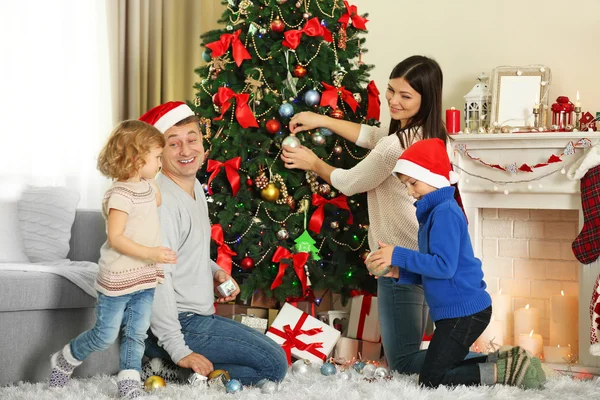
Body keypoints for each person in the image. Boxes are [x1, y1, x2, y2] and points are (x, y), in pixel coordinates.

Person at [281, 55, 445, 373]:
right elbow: (373, 135)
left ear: (426, 100)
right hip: (428, 257)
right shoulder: (429, 134)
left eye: (405, 96)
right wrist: (323, 120)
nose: (393, 101)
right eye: (391, 90)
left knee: (404, 361)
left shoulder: (395, 147)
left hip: (399, 260)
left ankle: (494, 364)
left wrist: (311, 162)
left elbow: (349, 182)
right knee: (418, 350)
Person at [366, 138, 546, 389]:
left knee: (431, 380)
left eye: (413, 183)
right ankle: (507, 361)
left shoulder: (445, 213)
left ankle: (504, 371)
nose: (410, 192)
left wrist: (399, 254)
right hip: (457, 313)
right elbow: (435, 271)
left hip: (465, 313)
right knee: (438, 368)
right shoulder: (433, 213)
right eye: (406, 185)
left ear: (432, 177)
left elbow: (444, 267)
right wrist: (400, 272)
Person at [139, 101, 288, 386]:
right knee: (273, 365)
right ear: (158, 151)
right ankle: (173, 367)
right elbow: (155, 278)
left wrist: (214, 272)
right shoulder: (162, 202)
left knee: (268, 350)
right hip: (176, 323)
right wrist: (179, 349)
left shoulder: (193, 186)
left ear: (202, 141)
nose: (186, 151)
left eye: (192, 139)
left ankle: (168, 363)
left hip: (194, 317)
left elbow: (186, 253)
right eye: (174, 144)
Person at [48, 120, 175, 399]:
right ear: (135, 158)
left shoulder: (148, 185)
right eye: (156, 158)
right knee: (105, 335)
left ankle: (128, 380)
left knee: (137, 333)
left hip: (145, 276)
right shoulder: (119, 195)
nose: (160, 164)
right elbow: (116, 238)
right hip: (118, 278)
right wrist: (152, 253)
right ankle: (66, 358)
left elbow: (153, 204)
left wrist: (150, 177)